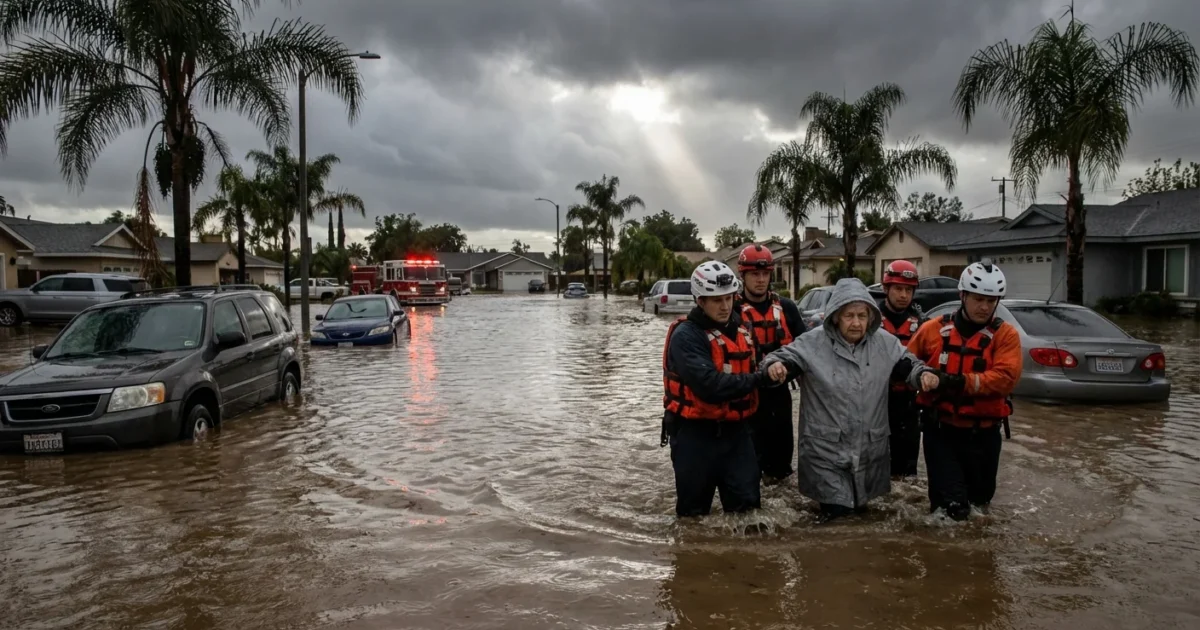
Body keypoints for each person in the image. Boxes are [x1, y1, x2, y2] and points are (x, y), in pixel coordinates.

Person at [761, 277, 942, 522]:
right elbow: (782, 358)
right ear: (836, 316)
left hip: (870, 449)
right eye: (849, 316)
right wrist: (775, 367)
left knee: (864, 520)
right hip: (825, 450)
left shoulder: (884, 342)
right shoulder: (812, 342)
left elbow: (909, 365)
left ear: (870, 317)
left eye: (862, 315)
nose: (856, 323)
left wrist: (923, 376)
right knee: (839, 518)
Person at [906, 261, 1023, 521]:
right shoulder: (933, 329)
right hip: (941, 432)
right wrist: (920, 376)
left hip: (984, 435)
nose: (985, 307)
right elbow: (905, 362)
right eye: (979, 299)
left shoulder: (1006, 336)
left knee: (980, 507)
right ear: (962, 296)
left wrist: (952, 381)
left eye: (991, 301)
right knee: (952, 510)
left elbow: (1004, 379)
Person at [661, 261, 776, 517]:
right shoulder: (686, 336)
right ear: (700, 301)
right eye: (717, 300)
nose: (725, 307)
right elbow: (710, 387)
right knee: (693, 517)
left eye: (729, 299)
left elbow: (759, 361)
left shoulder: (742, 329)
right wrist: (760, 378)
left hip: (737, 434)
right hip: (695, 435)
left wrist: (777, 367)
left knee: (749, 514)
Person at [734, 244, 806, 485]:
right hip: (745, 395)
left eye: (766, 274)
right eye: (755, 274)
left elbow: (805, 350)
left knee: (782, 466)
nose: (761, 280)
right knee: (748, 464)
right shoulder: (731, 310)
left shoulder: (787, 308)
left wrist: (787, 369)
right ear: (742, 275)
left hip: (779, 396)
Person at [876, 260, 925, 478]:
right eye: (898, 289)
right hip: (875, 402)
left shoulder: (923, 324)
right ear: (886, 288)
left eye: (908, 290)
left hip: (908, 404)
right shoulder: (869, 319)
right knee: (874, 462)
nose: (904, 295)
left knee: (907, 470)